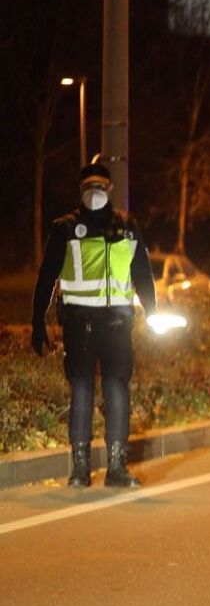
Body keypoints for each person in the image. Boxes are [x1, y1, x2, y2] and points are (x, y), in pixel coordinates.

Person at [30, 160, 159, 488]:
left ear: (110, 189)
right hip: (80, 322)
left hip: (117, 323)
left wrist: (153, 310)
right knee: (82, 389)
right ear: (80, 190)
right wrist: (37, 321)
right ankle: (80, 468)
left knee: (117, 389)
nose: (95, 192)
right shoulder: (66, 228)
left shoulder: (128, 226)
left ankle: (117, 467)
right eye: (89, 187)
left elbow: (142, 272)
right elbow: (47, 276)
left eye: (100, 186)